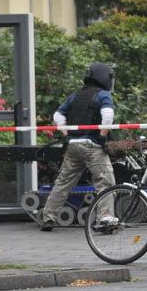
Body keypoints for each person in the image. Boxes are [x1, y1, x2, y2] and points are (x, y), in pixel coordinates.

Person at [40, 62, 117, 231]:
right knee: (105, 182)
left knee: (63, 182)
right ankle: (105, 219)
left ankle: (48, 217)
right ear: (104, 78)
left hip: (73, 146)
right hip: (92, 146)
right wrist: (102, 138)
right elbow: (108, 116)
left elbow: (58, 115)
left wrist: (67, 135)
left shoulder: (76, 95)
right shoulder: (103, 95)